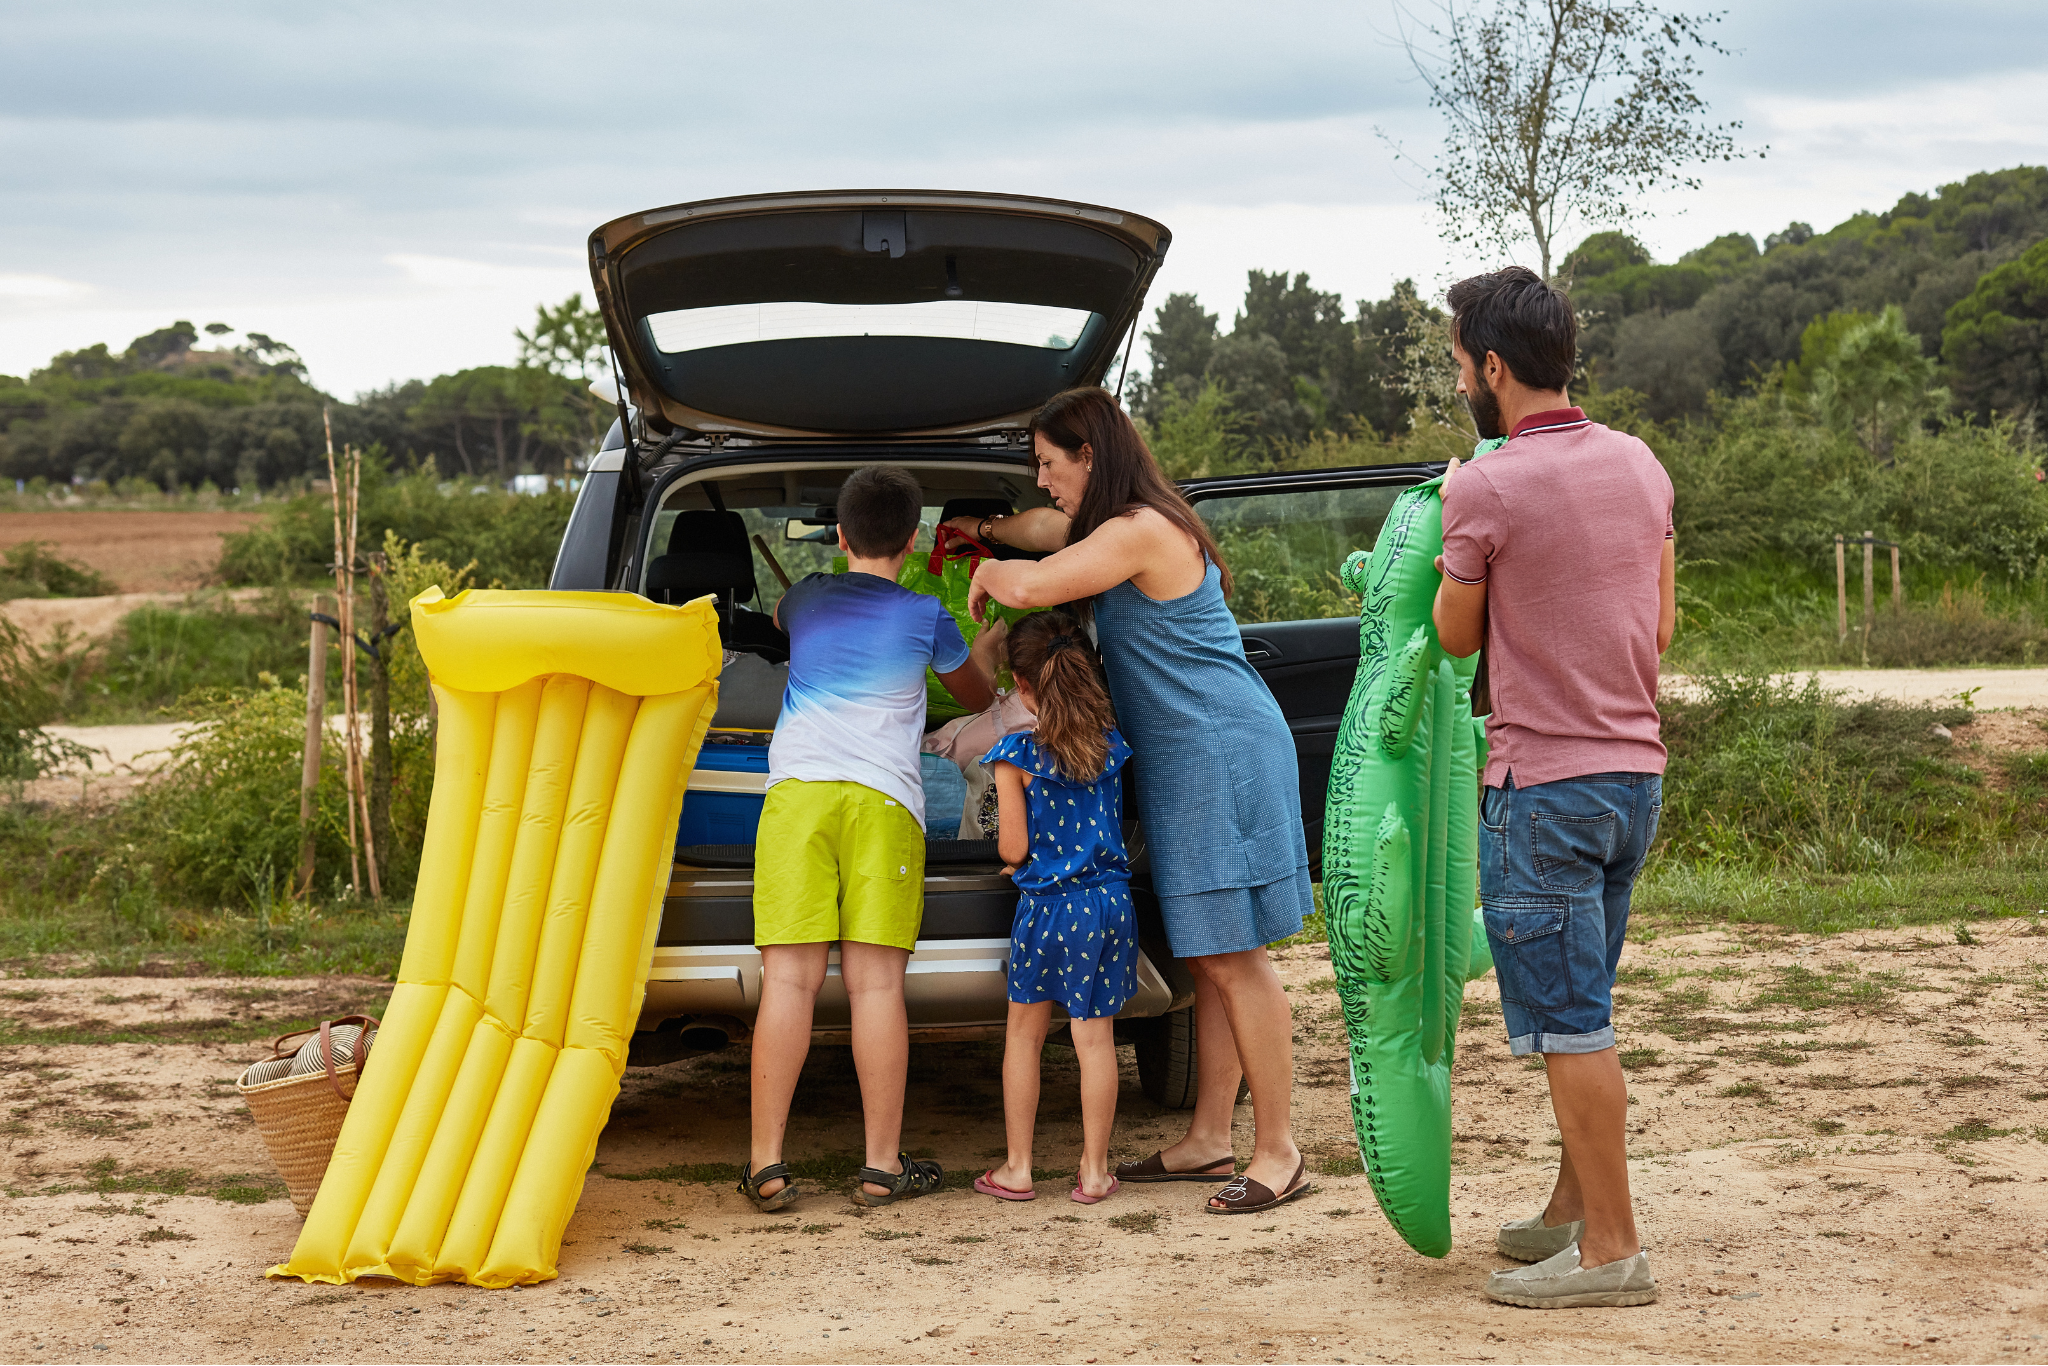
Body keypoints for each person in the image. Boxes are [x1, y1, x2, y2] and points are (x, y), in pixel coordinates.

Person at [956, 388, 1311, 1216]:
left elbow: (1039, 583)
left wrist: (989, 571)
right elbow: (1043, 535)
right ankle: (1210, 1138)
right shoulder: (1118, 524)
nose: (1043, 481)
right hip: (1190, 762)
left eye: (1050, 463)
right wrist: (986, 531)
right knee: (1205, 954)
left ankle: (1280, 1150)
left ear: (1091, 455)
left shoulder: (1140, 532)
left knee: (1235, 956)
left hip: (1220, 754)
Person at [1431, 266, 1675, 1308]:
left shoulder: (1483, 483)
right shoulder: (1637, 462)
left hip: (1541, 788)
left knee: (1569, 1024)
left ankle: (1612, 1247)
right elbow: (1657, 627)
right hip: (1632, 778)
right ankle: (1572, 1213)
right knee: (1587, 1005)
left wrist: (1453, 514)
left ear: (1492, 367)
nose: (1459, 388)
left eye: (1457, 367)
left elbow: (1451, 637)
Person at [740, 463, 995, 1211]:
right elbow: (975, 695)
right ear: (913, 539)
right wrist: (991, 644)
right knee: (877, 985)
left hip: (798, 798)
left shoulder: (806, 596)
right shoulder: (924, 614)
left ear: (840, 535)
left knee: (787, 982)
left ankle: (767, 1165)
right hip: (886, 800)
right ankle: (881, 1167)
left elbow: (783, 617)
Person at [969, 612, 1135, 1206]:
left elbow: (1013, 847)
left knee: (1025, 1037)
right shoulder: (1111, 742)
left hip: (1049, 909)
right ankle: (1094, 1172)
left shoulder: (1014, 753)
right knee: (1096, 1040)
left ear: (1021, 681)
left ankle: (1019, 1167)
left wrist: (1013, 859)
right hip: (1109, 904)